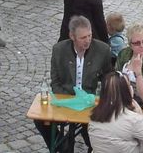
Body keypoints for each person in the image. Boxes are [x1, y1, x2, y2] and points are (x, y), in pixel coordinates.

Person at [39, 16, 112, 150]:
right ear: (72, 36)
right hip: (66, 99)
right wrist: (70, 100)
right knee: (40, 119)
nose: (87, 40)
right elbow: (55, 82)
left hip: (89, 102)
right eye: (83, 37)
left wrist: (97, 99)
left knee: (97, 131)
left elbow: (109, 79)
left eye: (89, 35)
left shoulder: (103, 50)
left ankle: (94, 146)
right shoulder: (59, 50)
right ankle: (62, 147)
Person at [87, 72, 143, 153]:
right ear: (127, 91)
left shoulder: (94, 118)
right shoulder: (134, 119)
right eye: (129, 86)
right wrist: (140, 116)